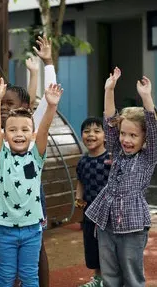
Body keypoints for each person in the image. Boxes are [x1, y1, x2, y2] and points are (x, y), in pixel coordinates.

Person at [85, 68, 157, 287]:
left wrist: (146, 97)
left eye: (133, 135)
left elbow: (153, 127)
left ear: (144, 138)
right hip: (106, 222)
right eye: (124, 134)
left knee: (132, 277)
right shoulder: (117, 151)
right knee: (110, 276)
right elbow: (109, 121)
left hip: (133, 227)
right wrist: (109, 89)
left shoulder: (148, 157)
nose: (126, 139)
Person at [0, 75, 63, 287]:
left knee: (30, 276)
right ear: (5, 135)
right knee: (6, 277)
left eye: (24, 130)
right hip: (5, 229)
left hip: (32, 229)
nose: (18, 134)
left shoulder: (36, 157)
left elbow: (45, 129)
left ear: (32, 134)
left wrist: (51, 106)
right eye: (12, 130)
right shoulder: (2, 158)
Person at [75, 117, 111, 287]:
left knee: (108, 249)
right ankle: (98, 278)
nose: (91, 135)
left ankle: (111, 279)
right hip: (89, 213)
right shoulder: (82, 161)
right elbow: (80, 181)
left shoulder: (110, 159)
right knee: (92, 248)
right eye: (87, 131)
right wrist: (78, 197)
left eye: (97, 131)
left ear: (105, 136)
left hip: (107, 214)